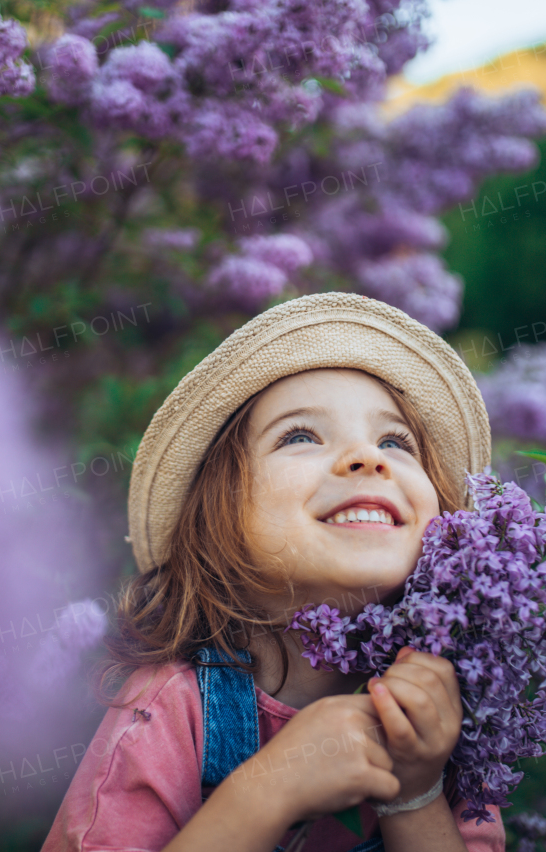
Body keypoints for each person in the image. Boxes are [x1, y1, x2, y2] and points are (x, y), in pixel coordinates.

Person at [41, 293, 504, 852]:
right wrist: (268, 790)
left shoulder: (455, 706)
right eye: (301, 436)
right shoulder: (171, 707)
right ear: (216, 519)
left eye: (394, 441)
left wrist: (416, 790)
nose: (367, 456)